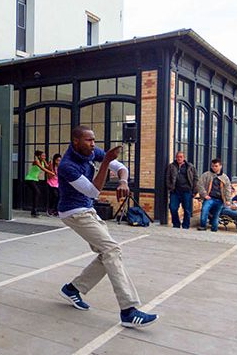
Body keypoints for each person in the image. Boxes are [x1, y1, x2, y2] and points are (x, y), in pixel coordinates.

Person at [57, 125, 158, 328]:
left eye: (94, 140)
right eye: (88, 140)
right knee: (112, 249)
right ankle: (129, 310)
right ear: (76, 141)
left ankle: (73, 289)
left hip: (87, 210)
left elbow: (121, 167)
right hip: (73, 213)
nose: (93, 144)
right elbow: (93, 192)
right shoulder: (67, 165)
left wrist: (123, 181)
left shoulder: (93, 152)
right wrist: (104, 163)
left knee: (108, 253)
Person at [165, 151, 199, 229]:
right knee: (173, 208)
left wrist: (194, 190)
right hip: (175, 191)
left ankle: (185, 226)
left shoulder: (190, 166)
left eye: (181, 157)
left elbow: (195, 178)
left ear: (184, 158)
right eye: (177, 157)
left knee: (187, 210)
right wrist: (170, 187)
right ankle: (176, 224)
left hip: (187, 191)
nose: (179, 158)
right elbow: (167, 178)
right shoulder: (171, 166)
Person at [197, 158, 231, 232]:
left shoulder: (225, 177)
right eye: (212, 166)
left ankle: (214, 230)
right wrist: (205, 195)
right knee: (204, 210)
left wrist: (228, 200)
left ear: (220, 166)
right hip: (210, 198)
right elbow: (200, 185)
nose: (214, 168)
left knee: (216, 215)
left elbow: (228, 189)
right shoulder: (206, 175)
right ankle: (203, 226)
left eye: (216, 166)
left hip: (220, 199)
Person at [25, 150, 55, 217]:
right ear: (39, 156)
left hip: (35, 180)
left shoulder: (42, 161)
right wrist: (51, 173)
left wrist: (50, 164)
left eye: (45, 156)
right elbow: (43, 169)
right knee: (37, 193)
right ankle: (34, 211)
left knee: (36, 194)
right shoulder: (36, 161)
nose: (44, 157)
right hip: (29, 179)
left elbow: (47, 167)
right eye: (43, 156)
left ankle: (34, 211)